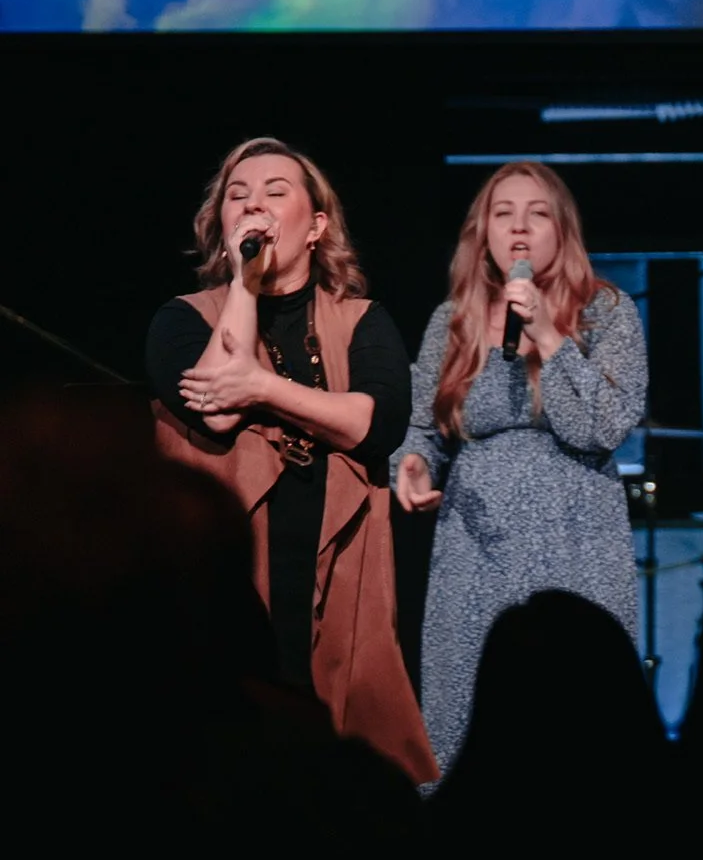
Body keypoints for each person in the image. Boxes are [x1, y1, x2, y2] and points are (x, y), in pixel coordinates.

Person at [144, 136, 434, 782]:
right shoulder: (181, 319)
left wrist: (264, 387)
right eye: (238, 198)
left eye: (276, 193)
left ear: (316, 226)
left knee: (337, 744)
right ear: (220, 226)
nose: (256, 206)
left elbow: (373, 420)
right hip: (229, 564)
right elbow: (215, 407)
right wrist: (245, 279)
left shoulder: (363, 320)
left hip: (336, 557)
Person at [391, 160, 647, 777]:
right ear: (483, 233)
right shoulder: (451, 320)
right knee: (471, 716)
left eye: (537, 213)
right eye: (502, 214)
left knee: (580, 719)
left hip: (577, 539)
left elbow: (604, 425)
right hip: (475, 545)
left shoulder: (608, 313)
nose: (519, 229)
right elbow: (421, 424)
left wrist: (548, 334)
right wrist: (416, 463)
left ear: (562, 231)